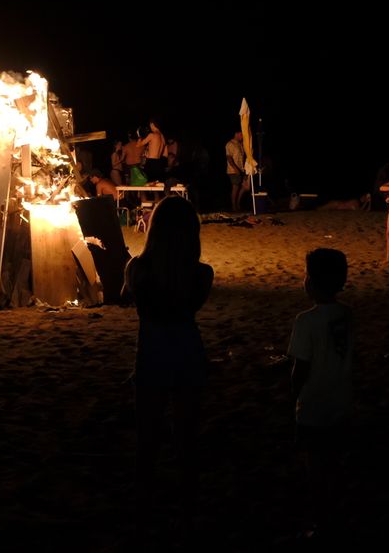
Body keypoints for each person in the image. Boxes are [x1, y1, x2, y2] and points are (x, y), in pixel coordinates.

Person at [124, 194, 214, 501]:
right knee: (187, 429)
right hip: (188, 351)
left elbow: (129, 296)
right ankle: (188, 487)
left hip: (152, 352)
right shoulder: (203, 274)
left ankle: (145, 487)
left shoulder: (137, 269)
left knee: (148, 430)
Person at [289, 247, 353, 543]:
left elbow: (301, 367)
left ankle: (320, 521)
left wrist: (292, 394)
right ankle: (338, 513)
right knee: (336, 461)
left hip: (313, 406)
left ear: (311, 283)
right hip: (341, 402)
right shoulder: (346, 315)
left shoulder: (305, 321)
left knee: (315, 466)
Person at [225, 132, 248, 211]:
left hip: (241, 169)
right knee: (235, 187)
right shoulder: (230, 144)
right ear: (236, 134)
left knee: (246, 187)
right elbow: (229, 158)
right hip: (233, 170)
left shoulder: (240, 144)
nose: (242, 136)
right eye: (241, 134)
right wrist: (235, 168)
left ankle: (238, 203)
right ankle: (234, 206)